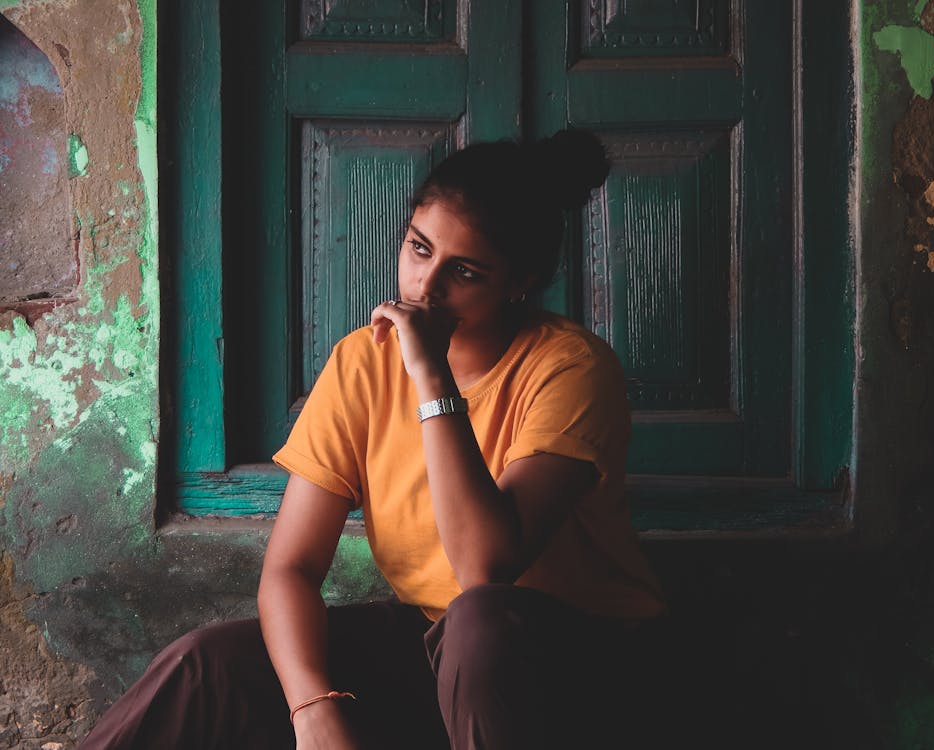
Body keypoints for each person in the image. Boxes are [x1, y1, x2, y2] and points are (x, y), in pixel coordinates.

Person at [79, 128, 668, 750]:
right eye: (418, 249)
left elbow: (484, 566)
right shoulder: (363, 362)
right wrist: (314, 709)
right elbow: (292, 568)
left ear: (518, 281)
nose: (425, 287)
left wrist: (430, 374)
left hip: (576, 665)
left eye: (463, 271)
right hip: (437, 648)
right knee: (204, 667)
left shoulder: (569, 368)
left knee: (479, 620)